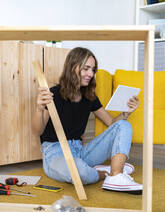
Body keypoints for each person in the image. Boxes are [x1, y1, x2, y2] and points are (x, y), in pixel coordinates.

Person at [32, 47, 142, 194]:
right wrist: (39, 108)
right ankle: (106, 173)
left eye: (93, 70)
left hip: (80, 151)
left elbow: (112, 123)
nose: (90, 74)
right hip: (55, 152)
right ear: (73, 67)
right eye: (86, 69)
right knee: (79, 172)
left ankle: (116, 175)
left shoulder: (89, 96)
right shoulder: (53, 94)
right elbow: (37, 131)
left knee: (124, 125)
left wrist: (126, 113)